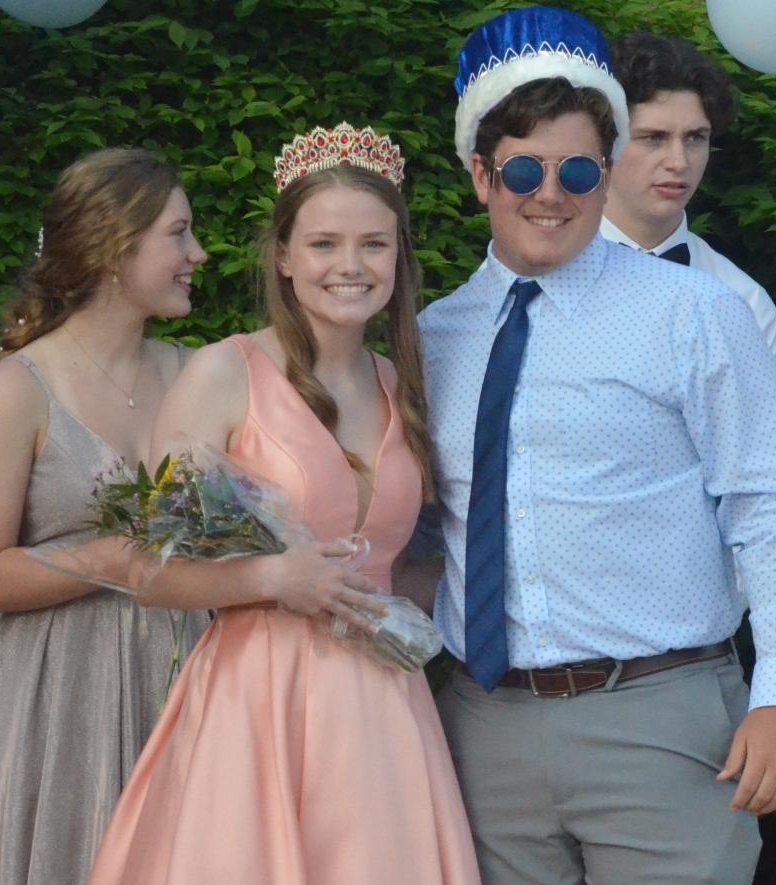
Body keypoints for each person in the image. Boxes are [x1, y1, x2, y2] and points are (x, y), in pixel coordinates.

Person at [418, 7, 776, 885]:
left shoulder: (698, 315)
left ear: (605, 176)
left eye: (578, 169)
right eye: (524, 167)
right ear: (480, 175)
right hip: (482, 729)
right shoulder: (432, 338)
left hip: (661, 716)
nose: (550, 192)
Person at [85, 123, 481, 885]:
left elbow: (405, 566)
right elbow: (148, 570)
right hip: (256, 703)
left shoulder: (405, 386)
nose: (351, 265)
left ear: (399, 256)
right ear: (284, 256)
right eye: (325, 243)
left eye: (374, 244)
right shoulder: (223, 372)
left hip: (385, 709)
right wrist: (274, 580)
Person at [0, 148, 212, 885]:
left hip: (189, 680)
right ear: (115, 247)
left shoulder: (194, 373)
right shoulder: (18, 389)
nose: (198, 254)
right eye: (179, 234)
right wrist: (102, 562)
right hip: (60, 697)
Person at [600, 31, 776, 373]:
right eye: (653, 138)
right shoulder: (540, 274)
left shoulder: (744, 302)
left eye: (696, 138)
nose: (679, 162)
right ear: (602, 145)